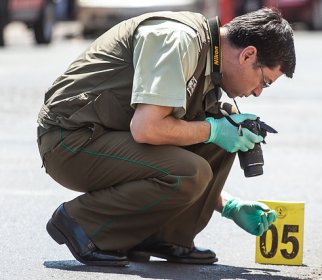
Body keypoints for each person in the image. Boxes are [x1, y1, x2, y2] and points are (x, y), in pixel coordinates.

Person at [37, 7, 296, 266]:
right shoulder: (178, 40)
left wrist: (230, 206)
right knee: (201, 153)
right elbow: (147, 128)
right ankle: (82, 222)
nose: (258, 93)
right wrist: (213, 131)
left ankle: (165, 237)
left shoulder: (208, 59)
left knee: (225, 122)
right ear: (248, 55)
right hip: (70, 141)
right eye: (265, 81)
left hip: (106, 136)